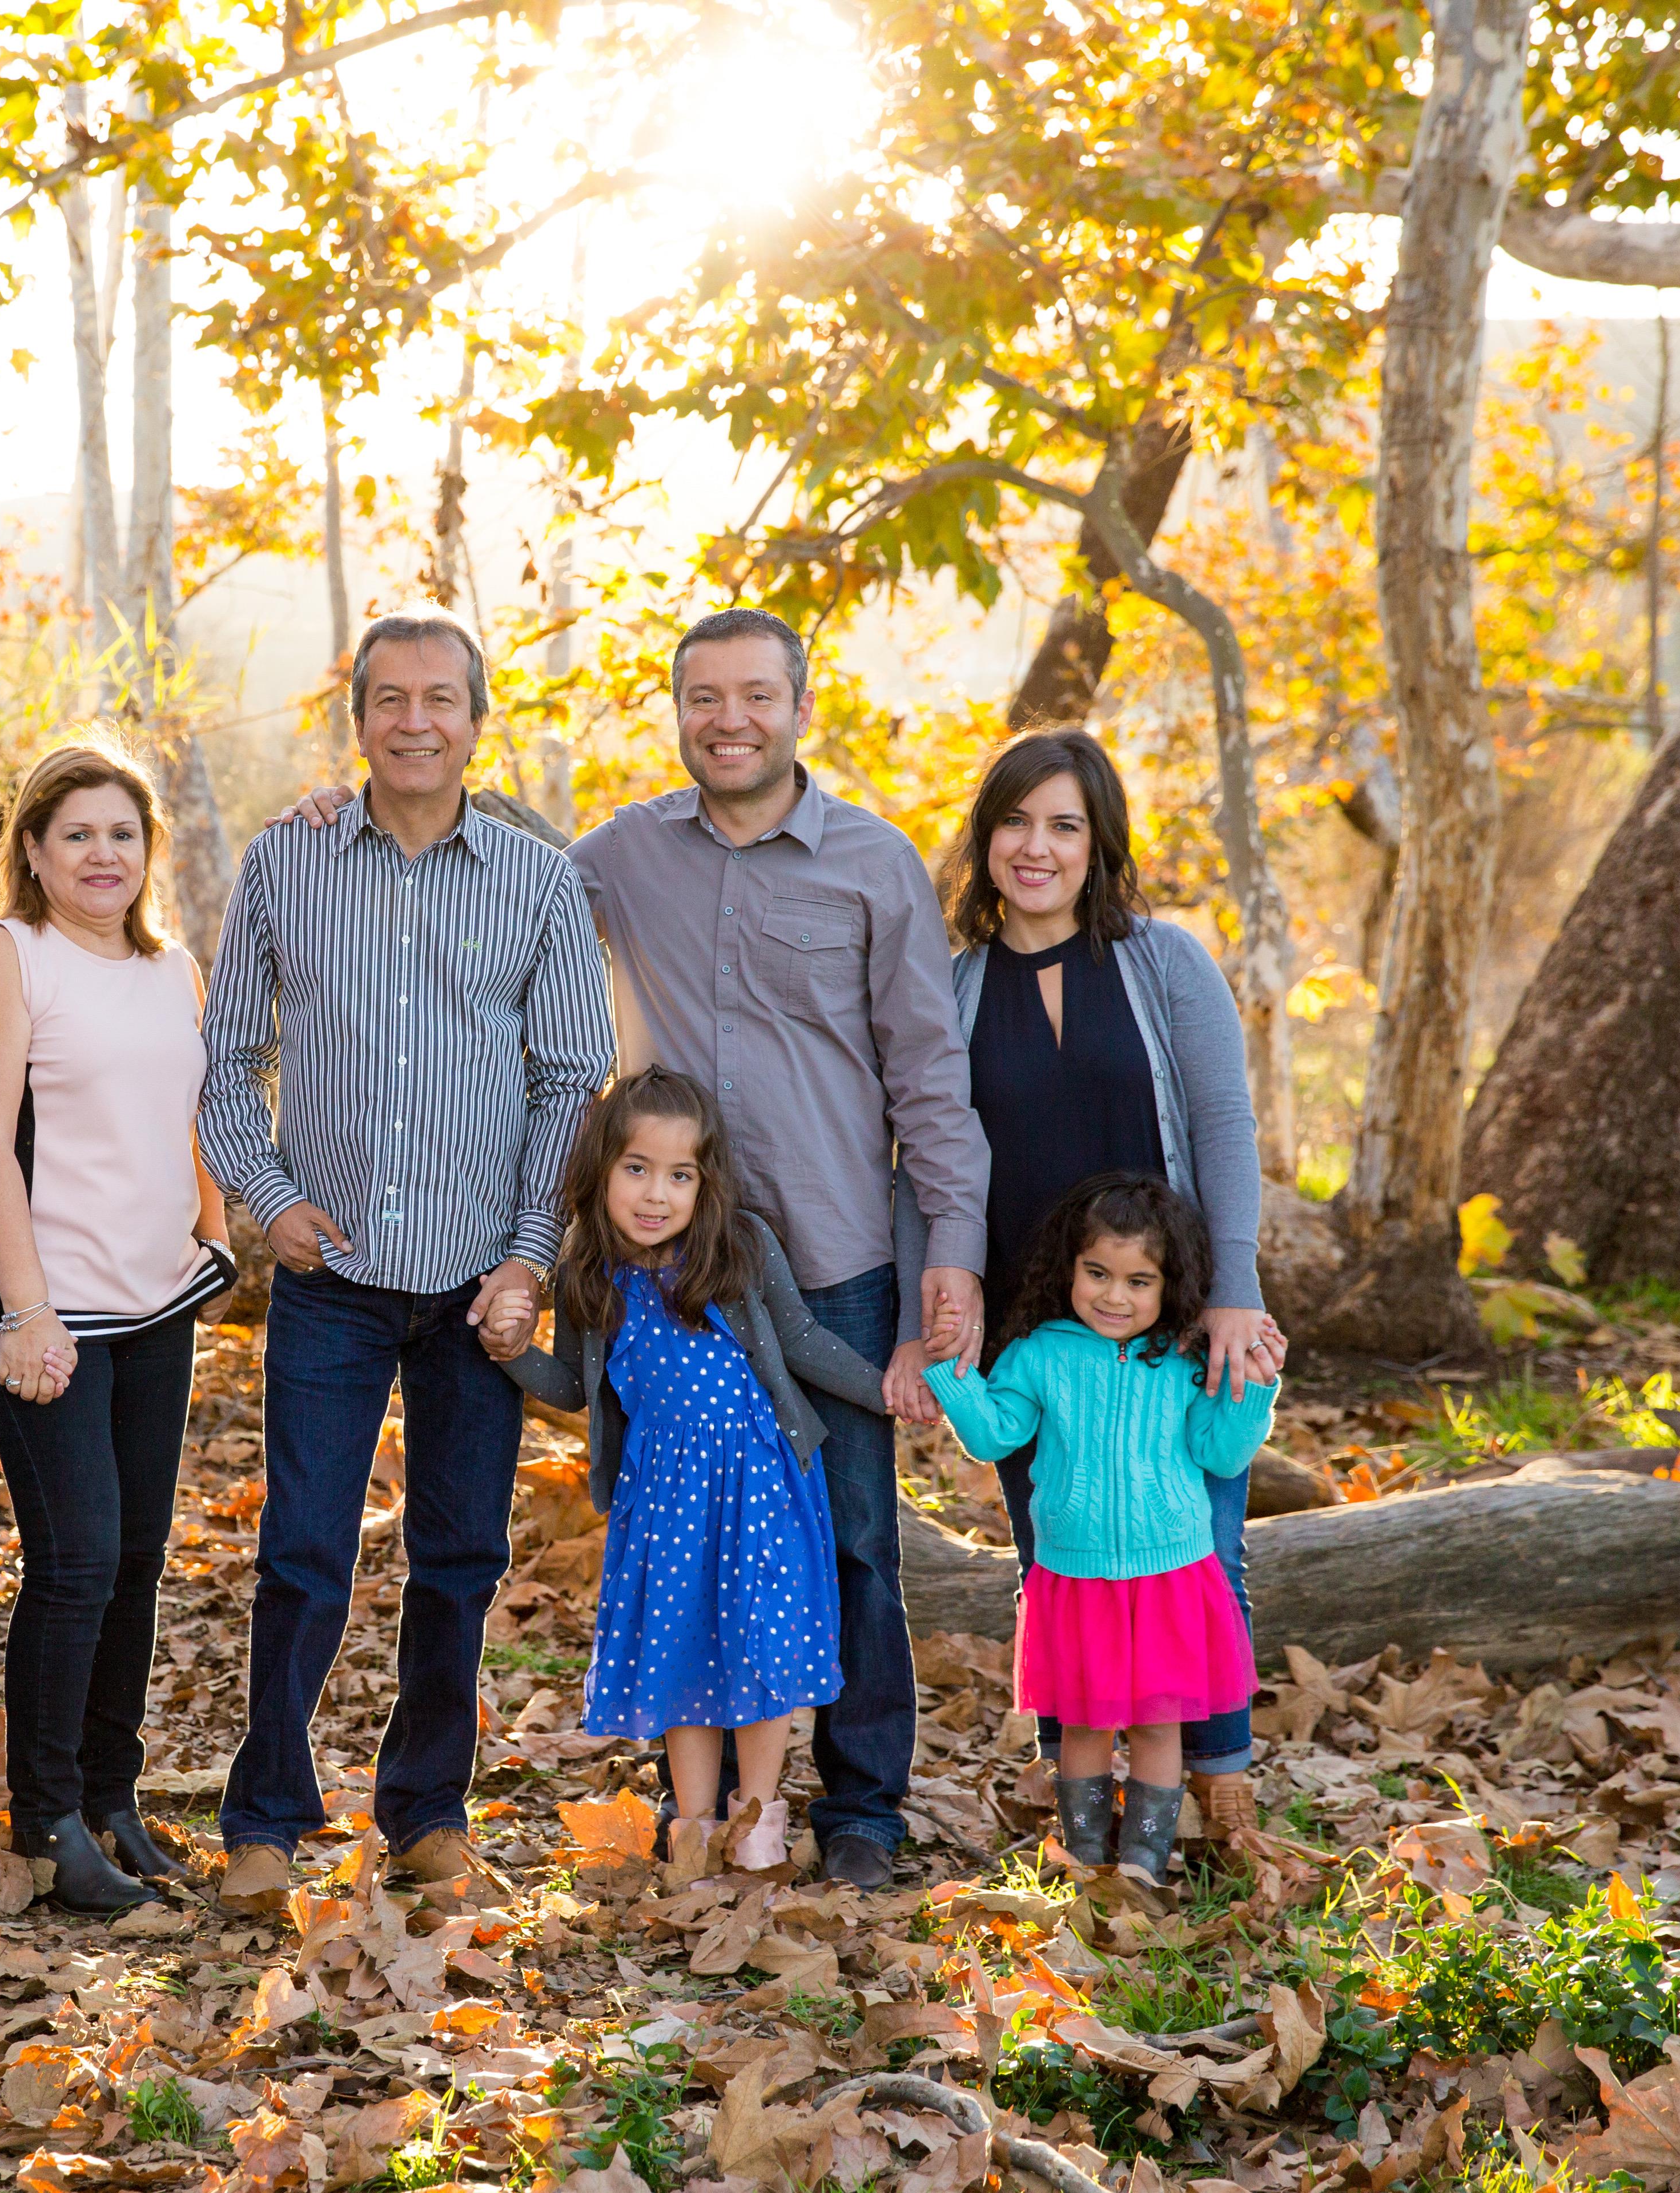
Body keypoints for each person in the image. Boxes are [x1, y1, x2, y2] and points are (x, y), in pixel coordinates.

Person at [272, 604, 988, 1889]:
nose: (729, 719)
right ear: (678, 712)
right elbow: (489, 855)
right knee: (686, 1528)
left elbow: (933, 1078)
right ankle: (702, 1808)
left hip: (827, 1246)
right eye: (703, 696)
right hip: (660, 1255)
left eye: (754, 695)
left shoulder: (875, 863)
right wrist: (374, 789)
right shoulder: (622, 853)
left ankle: (863, 1809)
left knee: (857, 1542)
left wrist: (954, 1250)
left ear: (800, 705)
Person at [200, 609, 616, 1911]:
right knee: (303, 1551)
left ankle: (426, 1811)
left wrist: (526, 1259)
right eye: (389, 698)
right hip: (326, 1273)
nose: (415, 720)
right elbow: (227, 1064)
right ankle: (265, 1818)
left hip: (473, 1289)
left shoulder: (536, 882)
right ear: (358, 720)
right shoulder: (288, 859)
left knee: (456, 1554)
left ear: (475, 721)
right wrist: (264, 1196)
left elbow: (569, 1084)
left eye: (441, 698)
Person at [885, 729, 1285, 1842]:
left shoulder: (1164, 964)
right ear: (986, 837)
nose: (1037, 846)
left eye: (1064, 824)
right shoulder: (955, 989)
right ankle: (1090, 1810)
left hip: (1165, 1314)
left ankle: (1222, 1795)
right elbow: (921, 1161)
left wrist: (1233, 1293)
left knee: (1205, 1546)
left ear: (1099, 843)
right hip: (1031, 1329)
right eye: (1015, 821)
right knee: (1055, 1556)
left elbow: (1222, 1125)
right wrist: (932, 1315)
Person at [0, 745, 238, 1914]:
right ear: (31, 850)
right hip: (50, 1314)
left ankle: (113, 1799)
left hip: (159, 1300)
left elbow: (195, 1110)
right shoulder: (5, 958)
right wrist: (25, 1312)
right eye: (75, 836)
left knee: (138, 1559)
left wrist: (212, 1236)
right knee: (75, 1562)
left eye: (121, 834)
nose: (101, 855)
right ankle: (49, 1819)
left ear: (147, 849)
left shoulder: (172, 968)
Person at [493, 1070, 894, 1873]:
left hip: (760, 1483)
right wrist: (509, 1357)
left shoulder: (739, 1247)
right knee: (682, 1647)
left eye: (681, 1175)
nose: (656, 1194)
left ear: (706, 1184)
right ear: (602, 1169)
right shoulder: (589, 1275)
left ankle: (757, 1823)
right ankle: (693, 1829)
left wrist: (889, 1392)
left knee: (760, 1643)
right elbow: (574, 1386)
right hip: (665, 1499)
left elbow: (806, 1344)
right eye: (636, 1168)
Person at [921, 1173, 1275, 1885]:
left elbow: (1220, 1453)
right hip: (1075, 1576)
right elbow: (995, 1437)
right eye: (1098, 1274)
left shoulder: (1179, 1357)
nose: (1115, 1297)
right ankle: (1084, 1852)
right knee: (1081, 1724)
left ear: (1168, 1284)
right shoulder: (1039, 1353)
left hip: (1171, 1575)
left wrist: (1254, 1387)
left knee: (1157, 1724)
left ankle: (1145, 1858)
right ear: (1071, 1267)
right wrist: (950, 1373)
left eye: (1139, 1281)